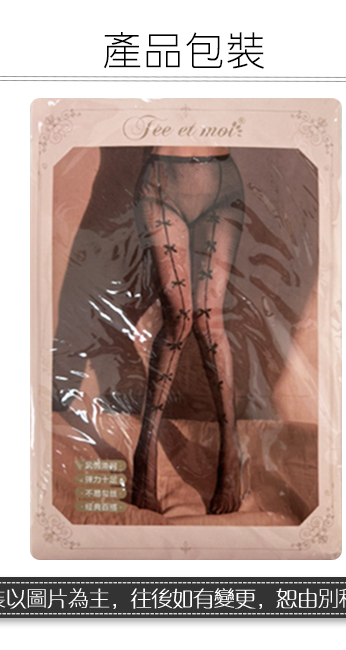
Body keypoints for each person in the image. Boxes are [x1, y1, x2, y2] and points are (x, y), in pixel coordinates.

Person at [131, 146, 245, 514]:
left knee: (209, 318)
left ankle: (231, 448)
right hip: (161, 185)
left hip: (221, 183)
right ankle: (145, 448)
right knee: (178, 316)